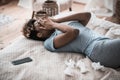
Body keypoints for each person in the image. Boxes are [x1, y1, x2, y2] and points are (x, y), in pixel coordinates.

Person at [22, 12, 120, 69]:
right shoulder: (49, 42)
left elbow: (87, 15)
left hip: (105, 42)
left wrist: (57, 20)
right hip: (97, 50)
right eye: (40, 24)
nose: (44, 22)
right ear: (39, 34)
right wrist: (53, 25)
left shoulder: (60, 25)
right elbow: (73, 32)